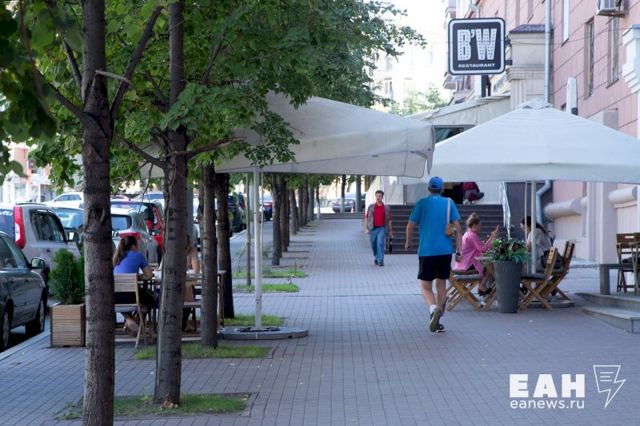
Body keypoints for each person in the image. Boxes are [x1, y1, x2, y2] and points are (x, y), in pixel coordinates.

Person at [405, 176, 462, 333]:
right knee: (441, 284)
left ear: (429, 189)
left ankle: (433, 309)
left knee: (425, 287)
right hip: (445, 251)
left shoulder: (421, 203)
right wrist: (459, 251)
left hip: (427, 250)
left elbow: (410, 225)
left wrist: (408, 242)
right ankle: (438, 320)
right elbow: (458, 228)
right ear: (442, 189)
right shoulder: (449, 203)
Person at [113, 235, 155, 335]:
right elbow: (149, 275)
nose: (138, 247)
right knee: (152, 299)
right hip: (131, 296)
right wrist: (136, 277)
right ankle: (137, 321)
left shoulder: (116, 258)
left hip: (114, 297)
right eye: (137, 245)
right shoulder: (138, 255)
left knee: (127, 299)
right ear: (133, 247)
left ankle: (129, 319)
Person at [454, 213, 499, 296]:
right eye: (479, 225)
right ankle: (482, 286)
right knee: (490, 265)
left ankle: (482, 287)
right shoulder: (472, 236)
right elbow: (484, 249)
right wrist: (493, 238)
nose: (480, 227)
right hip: (466, 265)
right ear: (474, 225)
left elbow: (483, 247)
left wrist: (492, 237)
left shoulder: (468, 234)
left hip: (461, 264)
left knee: (487, 264)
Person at [364, 190, 393, 266]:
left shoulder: (386, 208)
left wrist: (390, 231)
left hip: (382, 228)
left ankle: (380, 260)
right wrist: (366, 228)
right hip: (372, 228)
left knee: (380, 243)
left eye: (380, 196)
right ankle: (376, 257)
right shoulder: (371, 207)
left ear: (382, 197)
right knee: (373, 245)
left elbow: (389, 220)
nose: (378, 198)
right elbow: (367, 218)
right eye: (377, 196)